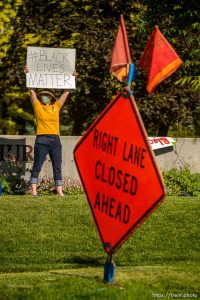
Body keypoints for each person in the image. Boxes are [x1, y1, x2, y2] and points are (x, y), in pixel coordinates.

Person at [24, 66, 76, 196]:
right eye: (42, 95)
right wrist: (28, 74)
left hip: (55, 140)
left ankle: (60, 192)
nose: (44, 97)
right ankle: (34, 191)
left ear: (51, 97)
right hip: (41, 140)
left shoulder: (56, 106)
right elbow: (31, 90)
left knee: (57, 167)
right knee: (37, 166)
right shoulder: (38, 106)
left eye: (46, 95)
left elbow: (67, 91)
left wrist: (72, 76)